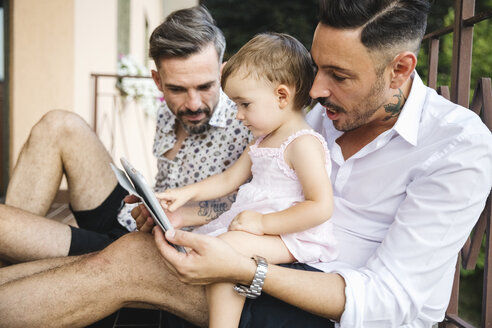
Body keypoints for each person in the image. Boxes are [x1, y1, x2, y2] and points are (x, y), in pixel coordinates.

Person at [1, 0, 492, 327]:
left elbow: (391, 303)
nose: (315, 91)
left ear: (401, 68)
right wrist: (195, 221)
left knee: (133, 259)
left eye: (337, 75)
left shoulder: (456, 146)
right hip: (266, 262)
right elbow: (252, 188)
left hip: (330, 310)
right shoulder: (322, 117)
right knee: (132, 249)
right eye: (317, 68)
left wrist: (244, 268)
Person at [0, 6, 250, 263]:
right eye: (177, 89)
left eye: (205, 86)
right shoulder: (167, 111)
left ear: (221, 73)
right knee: (58, 123)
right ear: (158, 81)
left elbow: (260, 208)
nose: (193, 103)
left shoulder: (248, 123)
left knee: (3, 226)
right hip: (132, 218)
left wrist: (177, 215)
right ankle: (13, 251)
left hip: (152, 253)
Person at [157, 32, 337, 328]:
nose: (238, 115)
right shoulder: (262, 140)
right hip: (256, 229)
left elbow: (320, 207)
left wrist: (264, 224)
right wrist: (184, 193)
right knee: (213, 249)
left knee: (224, 252)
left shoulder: (303, 143)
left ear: (282, 96)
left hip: (292, 238)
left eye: (244, 104)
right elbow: (228, 179)